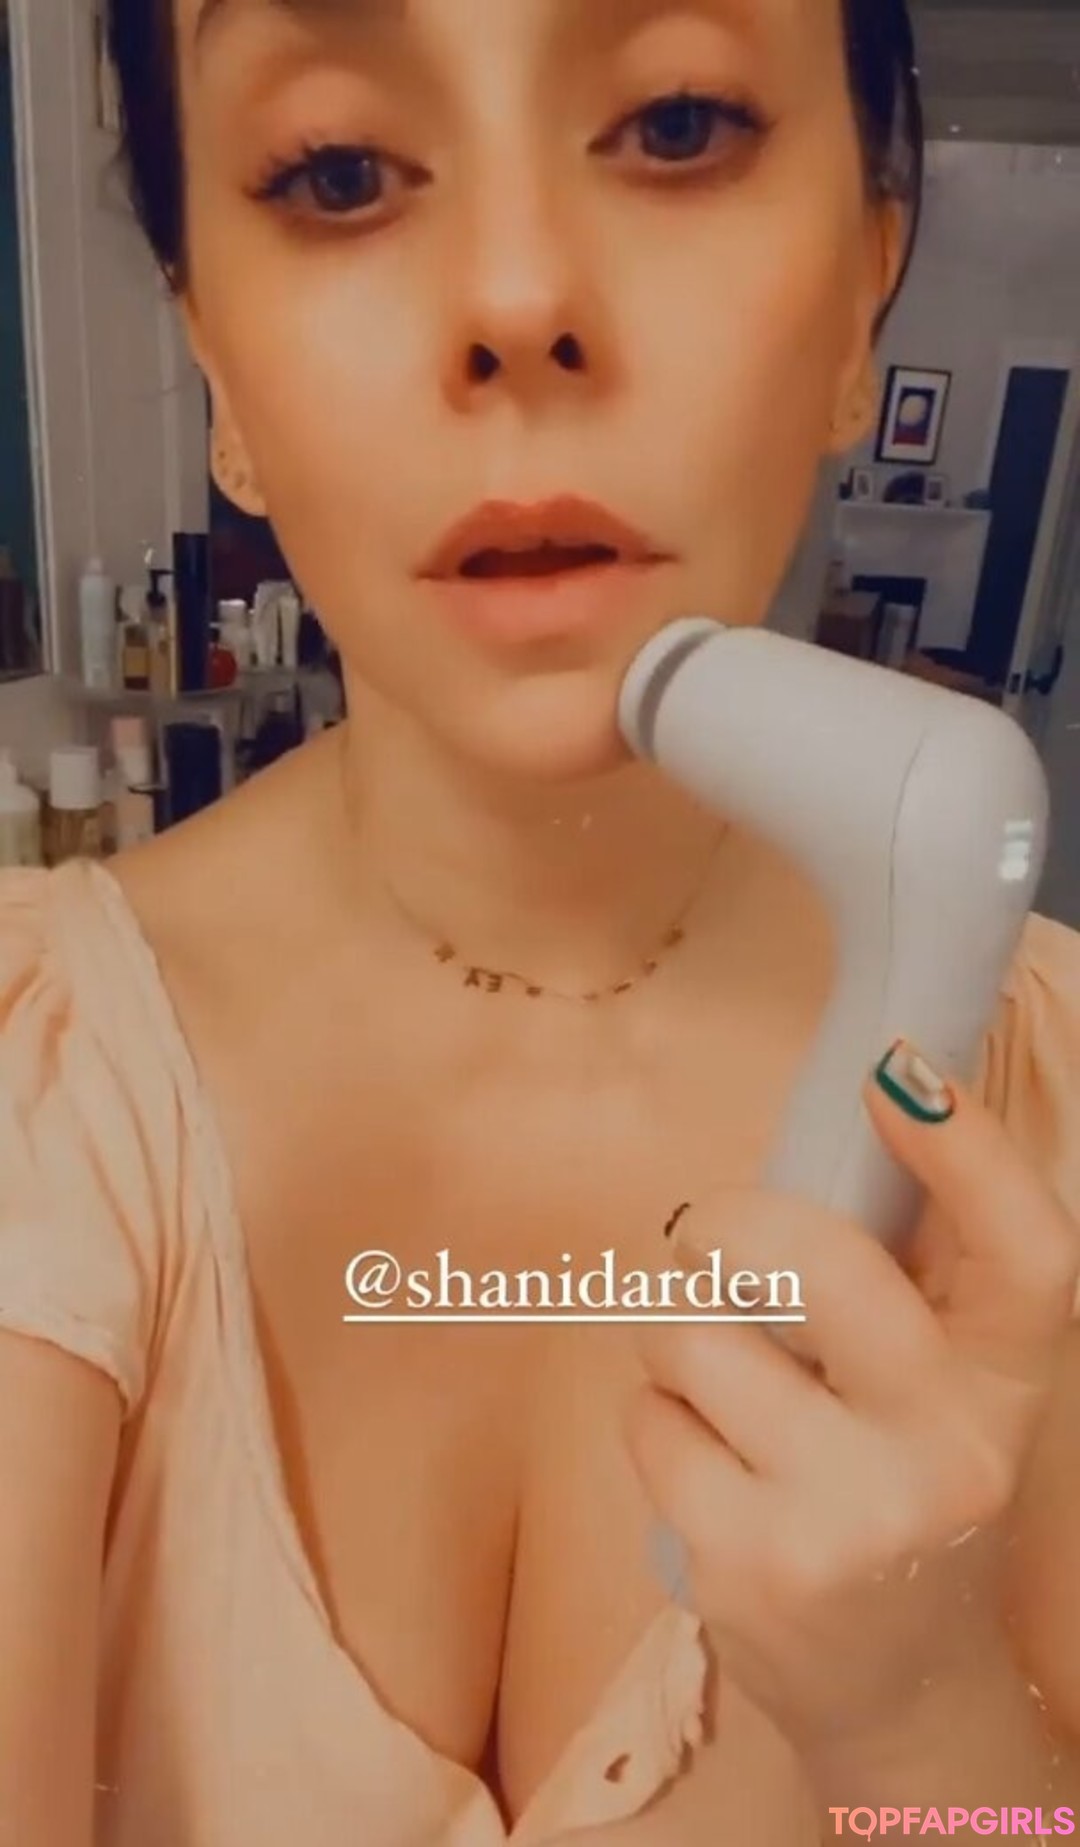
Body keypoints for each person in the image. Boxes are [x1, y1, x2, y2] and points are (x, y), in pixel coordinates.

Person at [1, 1, 1079, 1841]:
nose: (515, 301)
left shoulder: (1045, 1128)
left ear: (859, 300)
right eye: (340, 171)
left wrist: (924, 1729)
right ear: (219, 371)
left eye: (676, 126)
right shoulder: (40, 1089)